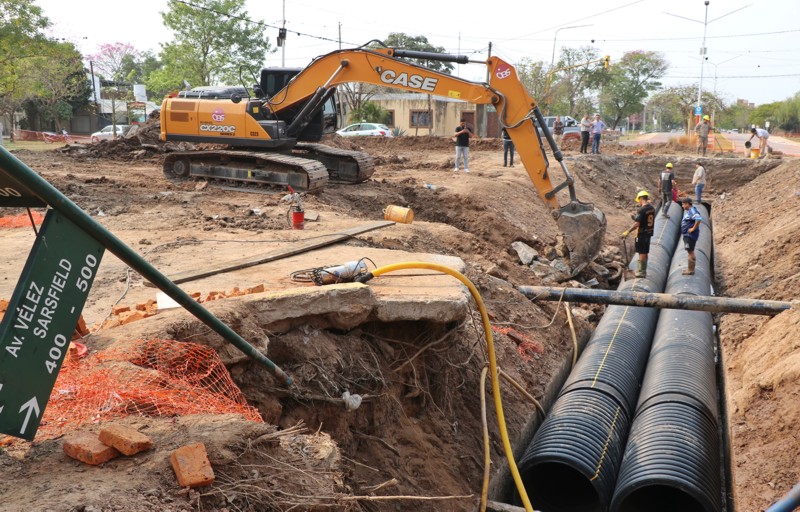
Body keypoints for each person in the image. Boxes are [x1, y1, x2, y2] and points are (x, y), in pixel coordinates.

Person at [620, 190, 656, 278]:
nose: (638, 202)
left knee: (642, 252)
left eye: (639, 200)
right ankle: (644, 270)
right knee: (645, 251)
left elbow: (637, 224)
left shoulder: (642, 209)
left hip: (642, 233)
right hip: (649, 232)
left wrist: (627, 232)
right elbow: (645, 218)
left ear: (641, 198)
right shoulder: (651, 208)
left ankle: (641, 272)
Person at [680, 197, 702, 275]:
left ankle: (691, 270)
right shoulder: (689, 211)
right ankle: (690, 268)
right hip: (687, 235)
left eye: (683, 204)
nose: (682, 206)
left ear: (687, 204)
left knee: (690, 251)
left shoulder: (692, 210)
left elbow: (698, 219)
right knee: (689, 251)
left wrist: (693, 228)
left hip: (690, 235)